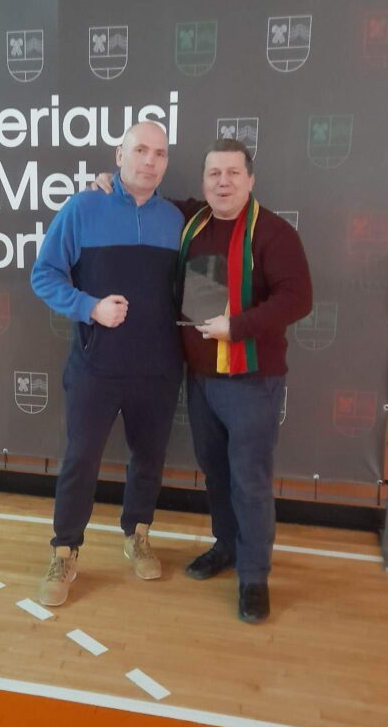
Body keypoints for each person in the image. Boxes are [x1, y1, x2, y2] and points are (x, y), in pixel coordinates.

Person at [95, 139, 312, 623]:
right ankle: (226, 546)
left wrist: (239, 326)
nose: (223, 182)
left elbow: (298, 298)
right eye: (214, 174)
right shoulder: (192, 219)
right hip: (201, 379)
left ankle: (253, 577)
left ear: (250, 179)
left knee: (250, 482)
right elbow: (143, 197)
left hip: (252, 380)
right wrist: (112, 183)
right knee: (215, 472)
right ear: (203, 182)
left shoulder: (274, 233)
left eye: (233, 173)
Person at [30, 121, 184, 607]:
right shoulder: (82, 208)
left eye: (159, 153)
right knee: (80, 460)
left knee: (149, 459)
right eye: (140, 150)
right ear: (119, 155)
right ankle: (64, 550)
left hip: (158, 369)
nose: (150, 161)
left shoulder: (177, 219)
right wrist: (90, 307)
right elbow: (44, 274)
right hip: (96, 367)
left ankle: (137, 533)